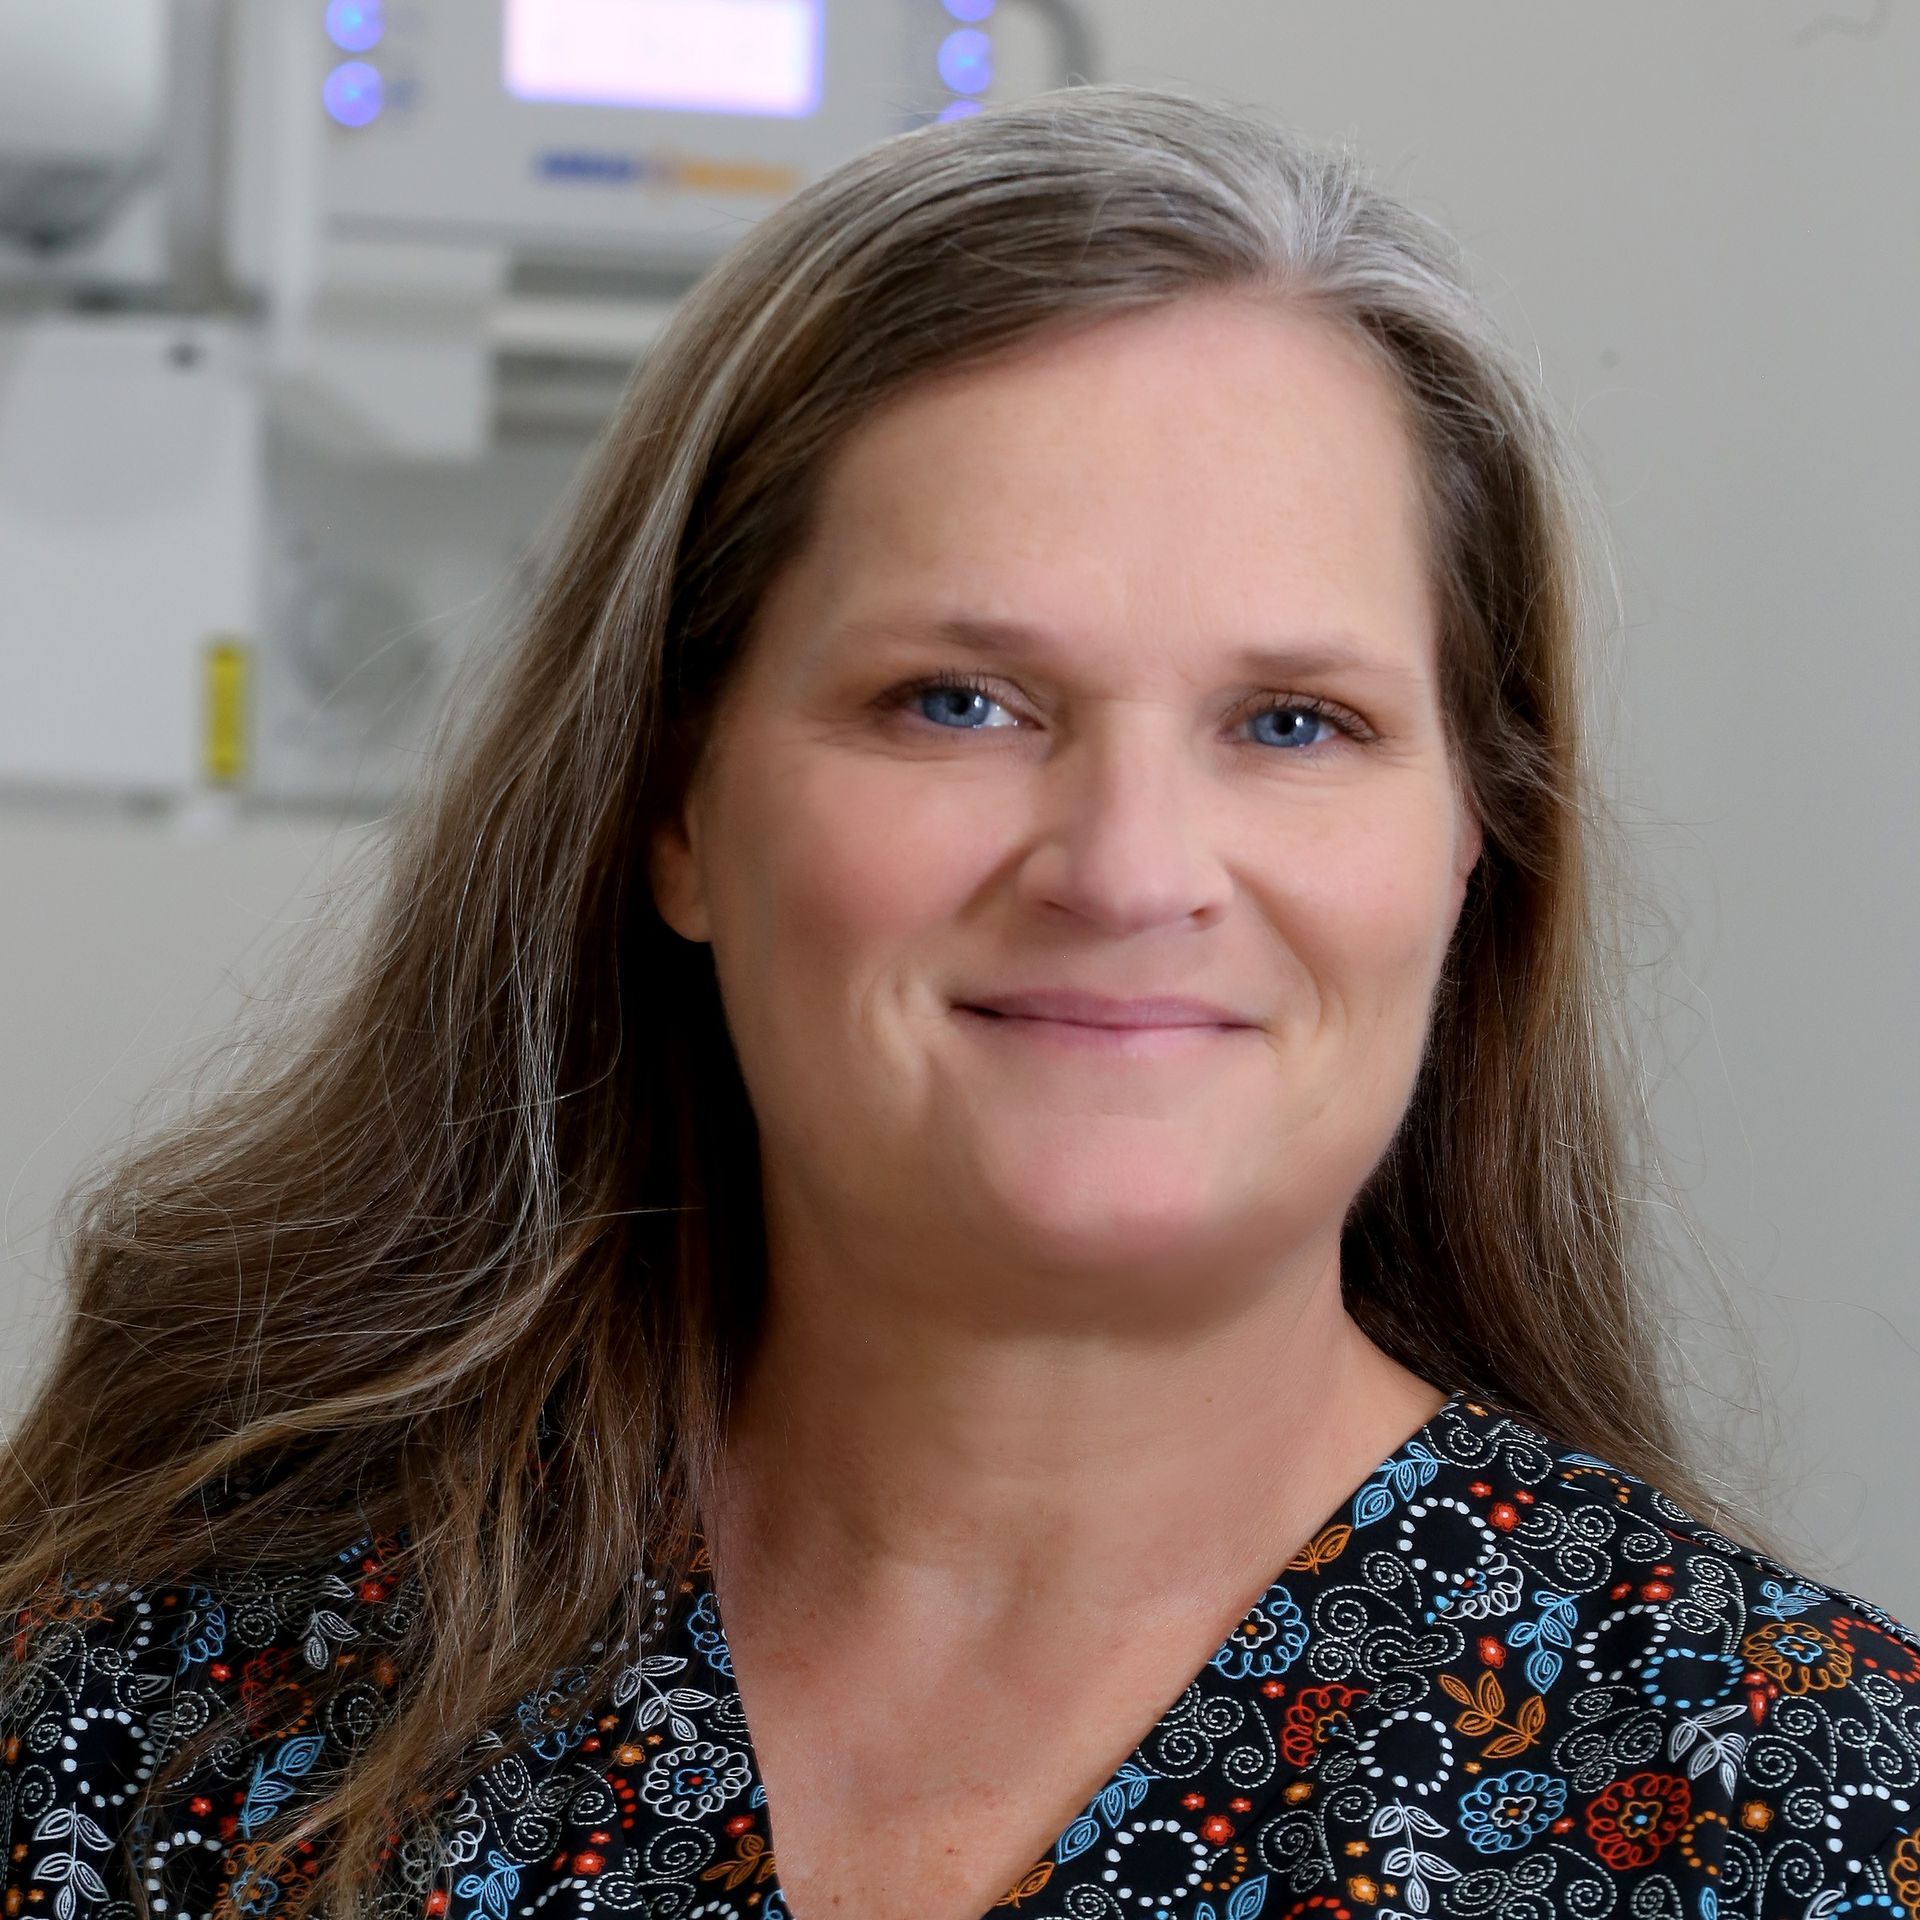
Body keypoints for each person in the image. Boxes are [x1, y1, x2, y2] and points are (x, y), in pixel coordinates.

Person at [2, 81, 1915, 1920]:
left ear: (1469, 850)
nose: (1127, 865)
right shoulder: (145, 1721)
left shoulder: (1818, 1818)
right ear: (674, 805)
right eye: (959, 701)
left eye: (1293, 723)